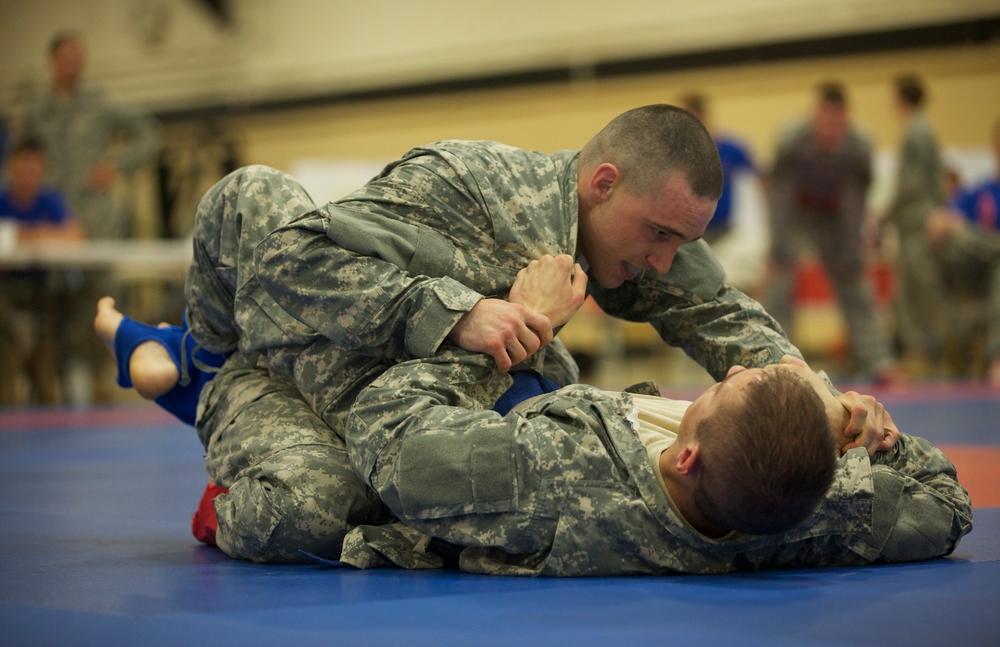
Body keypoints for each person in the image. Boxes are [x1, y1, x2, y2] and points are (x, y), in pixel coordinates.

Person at [97, 105, 887, 563]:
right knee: (316, 510)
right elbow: (288, 264)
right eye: (656, 234)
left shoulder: (640, 235)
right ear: (602, 183)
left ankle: (187, 369)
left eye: (679, 243)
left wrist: (816, 403)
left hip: (412, 406)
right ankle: (205, 373)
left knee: (518, 423)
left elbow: (723, 315)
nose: (662, 260)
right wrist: (455, 314)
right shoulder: (466, 183)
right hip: (308, 373)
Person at [96, 257, 970, 576]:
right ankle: (179, 361)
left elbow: (386, 422)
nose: (728, 370)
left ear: (687, 457)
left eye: (719, 390)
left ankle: (199, 371)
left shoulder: (547, 481)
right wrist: (879, 430)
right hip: (551, 408)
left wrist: (516, 318)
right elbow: (946, 505)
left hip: (404, 453)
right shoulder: (814, 507)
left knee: (315, 497)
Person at [9, 30, 162, 403]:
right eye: (66, 58)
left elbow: (148, 133)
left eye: (79, 58)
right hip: (48, 217)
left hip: (93, 219)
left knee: (99, 292)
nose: (74, 65)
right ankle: (44, 377)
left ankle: (98, 375)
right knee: (47, 298)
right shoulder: (33, 111)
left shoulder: (99, 106)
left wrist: (117, 166)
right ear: (52, 62)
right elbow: (15, 157)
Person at [765, 82, 896, 382]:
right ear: (815, 116)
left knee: (854, 280)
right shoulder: (793, 139)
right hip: (798, 213)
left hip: (837, 217)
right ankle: (776, 357)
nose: (831, 128)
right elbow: (780, 194)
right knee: (781, 279)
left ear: (846, 119)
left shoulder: (858, 146)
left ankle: (878, 359)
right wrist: (778, 248)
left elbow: (856, 198)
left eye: (838, 122)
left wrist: (852, 249)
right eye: (825, 120)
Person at [0, 139, 84, 404]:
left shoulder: (51, 200)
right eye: (21, 165)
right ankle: (7, 390)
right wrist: (40, 234)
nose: (27, 171)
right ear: (10, 167)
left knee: (57, 322)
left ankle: (47, 388)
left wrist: (24, 234)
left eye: (33, 166)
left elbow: (75, 236)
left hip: (44, 289)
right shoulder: (3, 200)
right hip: (6, 289)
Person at [883, 74, 951, 377]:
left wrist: (886, 210)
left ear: (901, 99)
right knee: (913, 290)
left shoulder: (916, 132)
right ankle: (928, 354)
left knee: (918, 290)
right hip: (917, 221)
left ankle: (931, 355)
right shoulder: (924, 129)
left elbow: (912, 184)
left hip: (916, 223)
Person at [927, 117, 1000, 387]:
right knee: (951, 235)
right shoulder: (980, 193)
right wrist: (942, 220)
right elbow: (947, 219)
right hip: (977, 274)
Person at [679, 93, 769, 293]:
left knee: (739, 281)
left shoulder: (732, 150)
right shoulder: (676, 157)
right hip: (693, 238)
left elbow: (760, 184)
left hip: (729, 233)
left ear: (702, 117)